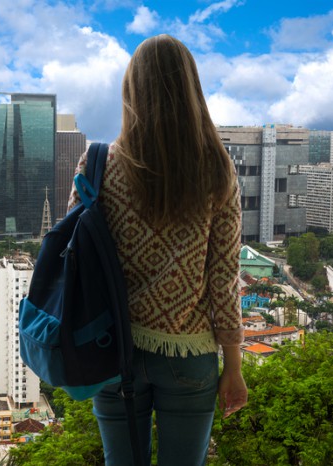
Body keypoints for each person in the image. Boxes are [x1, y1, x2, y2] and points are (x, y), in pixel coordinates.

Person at [69, 34, 247, 466]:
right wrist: (234, 365)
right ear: (192, 89)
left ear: (132, 89)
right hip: (189, 353)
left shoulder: (97, 163)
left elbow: (71, 256)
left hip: (113, 350)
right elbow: (223, 279)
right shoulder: (217, 170)